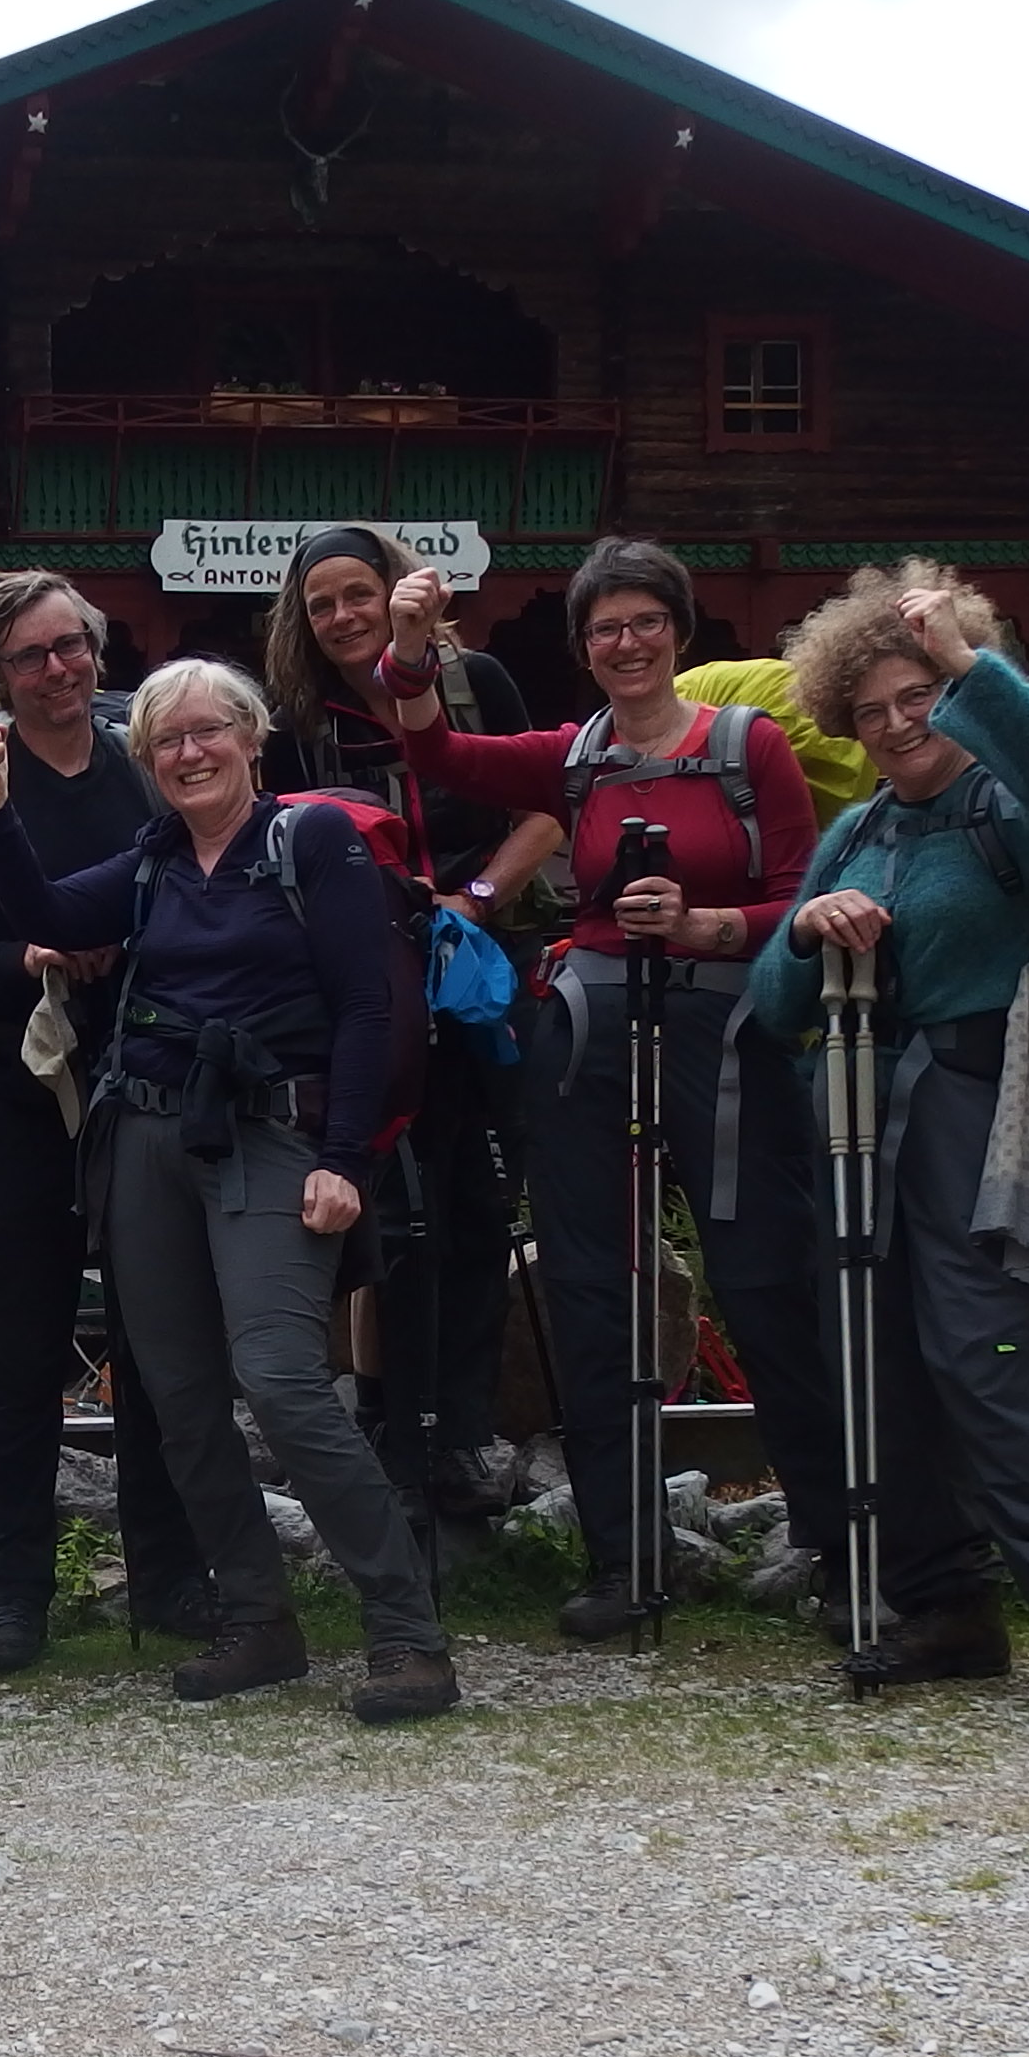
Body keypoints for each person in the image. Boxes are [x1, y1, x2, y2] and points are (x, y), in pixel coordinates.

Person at [366, 540, 836, 1641]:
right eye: (605, 628)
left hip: (728, 1041)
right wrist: (408, 644)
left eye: (644, 622)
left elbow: (804, 901)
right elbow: (432, 747)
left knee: (764, 1282)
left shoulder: (748, 748)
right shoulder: (572, 759)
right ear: (583, 647)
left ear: (679, 630)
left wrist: (705, 925)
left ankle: (834, 1539)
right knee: (589, 1289)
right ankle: (622, 1560)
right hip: (589, 1041)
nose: (627, 644)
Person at [0, 657, 460, 1725]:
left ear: (251, 738)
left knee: (281, 1379)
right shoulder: (153, 860)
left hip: (274, 1137)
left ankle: (406, 1634)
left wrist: (346, 1159)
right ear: (147, 760)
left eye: (207, 731)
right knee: (178, 1395)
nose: (188, 752)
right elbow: (45, 910)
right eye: (166, 740)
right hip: (147, 1136)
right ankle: (258, 1619)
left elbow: (367, 1010)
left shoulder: (311, 842)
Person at [754, 563, 1029, 1733]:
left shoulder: (1016, 811)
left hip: (983, 1114)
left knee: (991, 1357)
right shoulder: (856, 831)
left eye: (915, 698)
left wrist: (966, 663)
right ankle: (945, 1606)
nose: (893, 726)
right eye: (867, 711)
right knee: (877, 1361)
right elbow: (777, 1003)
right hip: (862, 1123)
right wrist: (804, 928)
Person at [0, 573, 209, 1671]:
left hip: (153, 1082)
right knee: (22, 1350)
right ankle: (13, 1592)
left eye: (71, 645)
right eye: (31, 655)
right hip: (21, 1097)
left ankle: (170, 1573)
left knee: (159, 1340)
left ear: (97, 648)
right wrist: (26, 956)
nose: (58, 670)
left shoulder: (147, 764)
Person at [257, 523, 537, 1519]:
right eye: (320, 604)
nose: (341, 617)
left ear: (394, 593)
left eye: (356, 594)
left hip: (476, 974)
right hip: (371, 992)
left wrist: (478, 896)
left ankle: (460, 1431)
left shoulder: (474, 685)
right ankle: (391, 1419)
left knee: (478, 1208)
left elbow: (546, 803)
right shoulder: (298, 723)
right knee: (394, 1213)